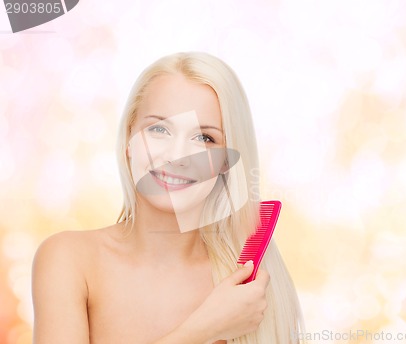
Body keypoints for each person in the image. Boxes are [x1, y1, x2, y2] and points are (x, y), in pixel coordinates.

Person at [32, 52, 304, 343]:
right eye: (159, 129)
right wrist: (205, 329)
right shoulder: (69, 260)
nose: (177, 156)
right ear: (128, 140)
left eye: (204, 138)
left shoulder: (248, 284)